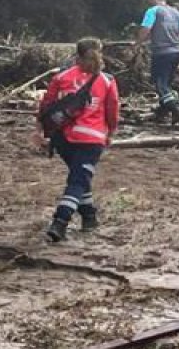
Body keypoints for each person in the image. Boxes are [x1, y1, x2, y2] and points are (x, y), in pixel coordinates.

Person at [34, 38, 120, 242]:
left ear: (77, 55)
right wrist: (111, 133)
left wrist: (40, 131)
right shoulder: (107, 80)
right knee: (77, 180)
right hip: (92, 139)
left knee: (80, 177)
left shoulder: (61, 77)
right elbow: (112, 110)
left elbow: (46, 106)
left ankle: (89, 216)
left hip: (63, 138)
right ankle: (60, 221)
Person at [136, 0, 179, 124]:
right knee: (167, 83)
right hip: (177, 52)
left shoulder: (153, 11)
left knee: (160, 83)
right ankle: (163, 111)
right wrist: (177, 39)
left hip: (162, 52)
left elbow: (146, 28)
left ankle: (175, 107)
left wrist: (137, 44)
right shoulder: (177, 12)